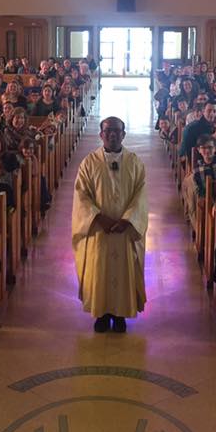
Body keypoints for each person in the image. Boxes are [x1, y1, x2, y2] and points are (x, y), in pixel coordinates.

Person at [72, 117, 148, 334]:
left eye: (117, 131)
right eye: (108, 131)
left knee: (124, 270)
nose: (112, 135)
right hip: (99, 230)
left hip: (125, 230)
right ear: (101, 135)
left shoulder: (135, 162)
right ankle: (102, 314)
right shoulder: (88, 163)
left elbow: (141, 195)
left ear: (123, 134)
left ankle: (120, 314)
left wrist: (128, 219)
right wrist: (97, 217)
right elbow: (81, 195)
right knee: (100, 269)